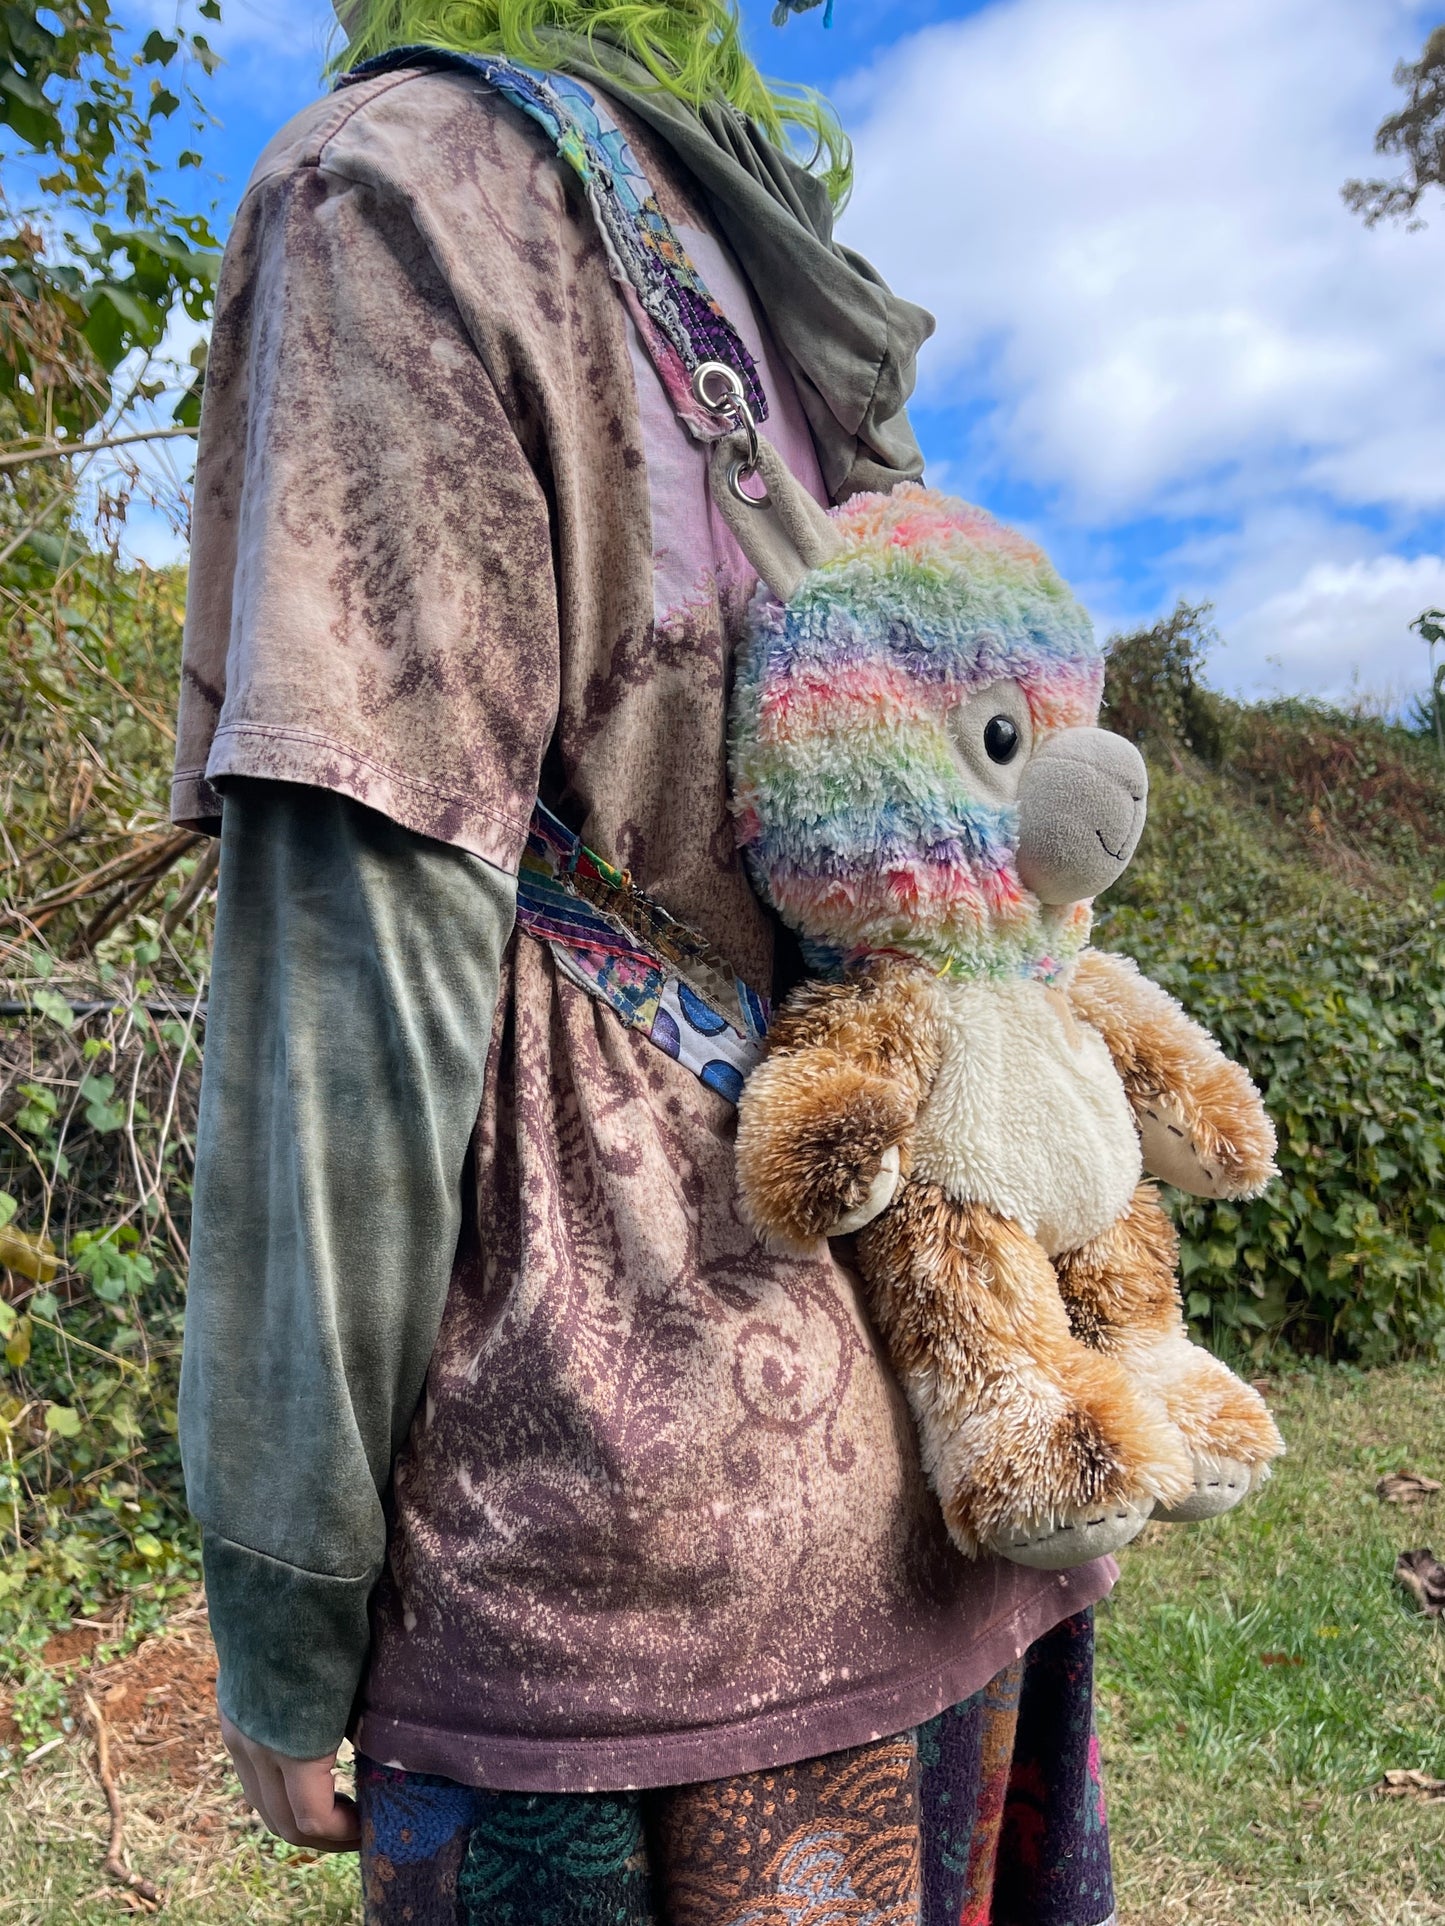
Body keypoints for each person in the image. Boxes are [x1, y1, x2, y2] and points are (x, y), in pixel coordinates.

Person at [172, 4, 1120, 1920]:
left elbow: (361, 946)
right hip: (954, 1458)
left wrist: (280, 1584)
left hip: (616, 1562)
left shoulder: (392, 191)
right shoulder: (765, 266)